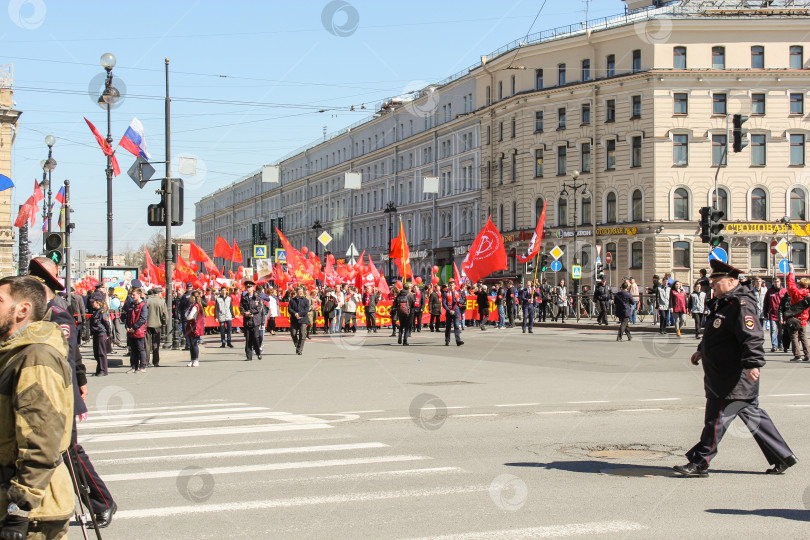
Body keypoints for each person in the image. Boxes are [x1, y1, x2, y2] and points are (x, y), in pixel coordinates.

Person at [673, 260, 797, 477]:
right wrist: (702, 349)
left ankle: (700, 462)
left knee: (716, 419)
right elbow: (717, 333)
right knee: (754, 417)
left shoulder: (740, 305)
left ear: (731, 282)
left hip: (731, 377)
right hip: (723, 373)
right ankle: (783, 457)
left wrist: (752, 364)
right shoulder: (724, 303)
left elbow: (752, 337)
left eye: (716, 281)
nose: (711, 285)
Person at [28, 257, 117, 529]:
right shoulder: (41, 310)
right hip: (46, 391)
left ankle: (101, 502)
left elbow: (67, 355)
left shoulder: (55, 311)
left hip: (58, 394)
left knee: (70, 451)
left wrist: (75, 386)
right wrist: (81, 379)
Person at [0, 276, 75, 540]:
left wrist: (20, 508)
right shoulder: (14, 352)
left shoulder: (35, 358)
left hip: (34, 513)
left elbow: (41, 440)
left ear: (23, 310)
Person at [785, 263, 810, 362]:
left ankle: (797, 355)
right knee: (803, 336)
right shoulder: (808, 295)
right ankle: (807, 354)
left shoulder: (795, 292)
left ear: (799, 284)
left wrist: (791, 270)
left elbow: (790, 283)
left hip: (794, 318)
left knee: (794, 337)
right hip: (804, 318)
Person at [240, 281, 264, 361]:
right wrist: (245, 313)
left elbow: (259, 308)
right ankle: (249, 356)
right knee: (248, 339)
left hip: (255, 320)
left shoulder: (258, 298)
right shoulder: (244, 298)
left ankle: (258, 352)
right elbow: (241, 307)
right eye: (247, 287)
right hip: (247, 320)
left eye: (250, 287)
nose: (248, 288)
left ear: (253, 288)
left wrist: (251, 312)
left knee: (256, 337)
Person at [126, 287, 148, 373]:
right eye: (132, 294)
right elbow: (128, 317)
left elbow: (143, 319)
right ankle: (133, 366)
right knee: (133, 350)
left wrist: (134, 328)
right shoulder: (131, 305)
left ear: (139, 295)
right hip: (131, 332)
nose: (132, 296)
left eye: (134, 295)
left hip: (139, 331)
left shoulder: (143, 305)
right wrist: (127, 327)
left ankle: (142, 367)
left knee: (140, 349)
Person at [763, 277, 787, 353]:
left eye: (777, 281)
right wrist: (765, 314)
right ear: (772, 283)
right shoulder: (769, 291)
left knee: (781, 331)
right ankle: (774, 345)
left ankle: (780, 344)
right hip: (772, 314)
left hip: (782, 315)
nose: (776, 283)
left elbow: (787, 304)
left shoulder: (784, 291)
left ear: (780, 282)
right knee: (773, 330)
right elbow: (765, 303)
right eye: (774, 282)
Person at [89, 297, 111, 376]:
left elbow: (107, 324)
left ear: (98, 303)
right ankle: (99, 369)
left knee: (101, 353)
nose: (92, 304)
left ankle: (103, 370)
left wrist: (109, 334)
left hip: (101, 333)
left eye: (93, 302)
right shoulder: (96, 312)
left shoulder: (102, 312)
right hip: (96, 333)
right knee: (96, 353)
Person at [146, 287, 167, 366]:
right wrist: (164, 323)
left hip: (148, 324)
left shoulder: (148, 301)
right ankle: (155, 361)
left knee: (147, 344)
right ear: (159, 293)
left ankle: (146, 361)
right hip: (157, 325)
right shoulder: (161, 302)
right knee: (156, 344)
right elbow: (165, 315)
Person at [184, 290, 205, 367]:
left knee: (194, 344)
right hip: (190, 327)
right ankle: (192, 359)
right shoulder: (192, 305)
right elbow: (186, 314)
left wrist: (189, 317)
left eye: (190, 297)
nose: (189, 298)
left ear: (193, 297)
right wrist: (188, 316)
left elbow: (189, 316)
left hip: (194, 328)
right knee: (191, 344)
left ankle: (196, 359)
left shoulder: (196, 306)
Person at [442, 279, 465, 347]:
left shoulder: (458, 293)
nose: (451, 286)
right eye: (450, 285)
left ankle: (458, 341)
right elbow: (444, 303)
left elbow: (462, 301)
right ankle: (447, 340)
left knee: (456, 326)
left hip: (456, 311)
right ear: (448, 286)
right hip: (449, 311)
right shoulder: (445, 293)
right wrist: (449, 310)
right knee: (448, 326)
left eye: (452, 285)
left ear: (455, 286)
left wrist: (459, 300)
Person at [288, 286, 310, 355]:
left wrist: (299, 314)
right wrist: (295, 314)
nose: (301, 292)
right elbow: (290, 309)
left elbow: (306, 310)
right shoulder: (292, 300)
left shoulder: (306, 300)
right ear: (296, 292)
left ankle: (300, 349)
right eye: (299, 291)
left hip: (303, 319)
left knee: (302, 334)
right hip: (294, 319)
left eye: (301, 291)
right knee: (293, 333)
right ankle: (297, 345)